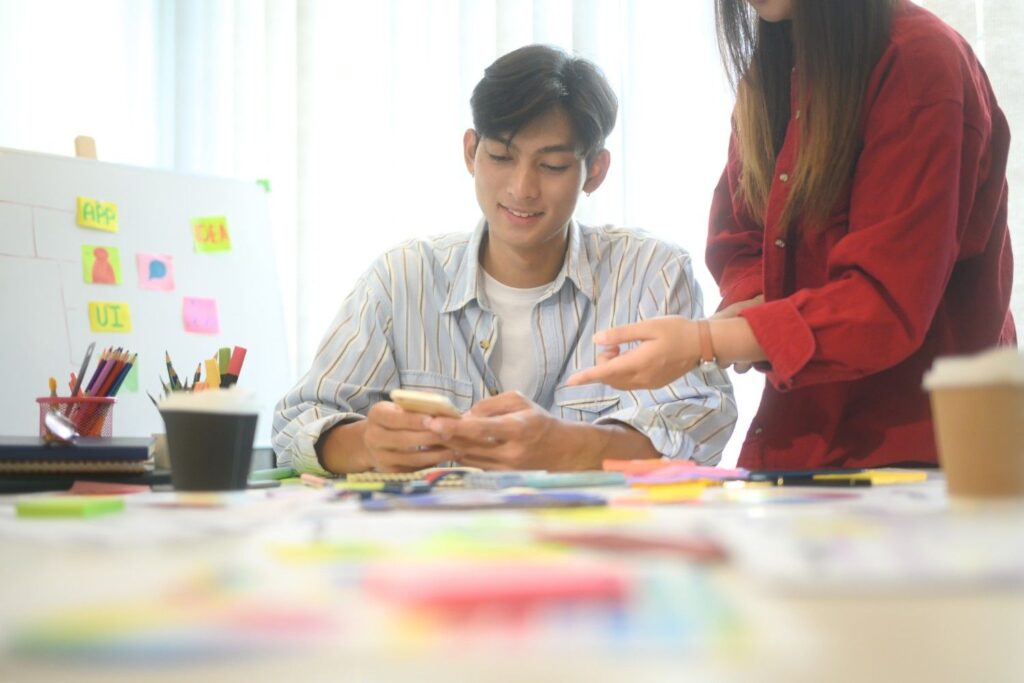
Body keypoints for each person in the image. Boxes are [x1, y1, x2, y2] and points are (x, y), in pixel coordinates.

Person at [569, 0, 1015, 470]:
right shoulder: (777, 63)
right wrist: (750, 307)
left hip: (924, 452)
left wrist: (709, 342)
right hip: (802, 442)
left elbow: (885, 303)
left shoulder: (919, 62)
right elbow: (741, 233)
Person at [273, 45, 736, 475]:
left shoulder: (649, 273)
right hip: (431, 550)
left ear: (594, 171)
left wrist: (568, 446)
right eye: (500, 156)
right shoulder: (403, 278)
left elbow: (701, 423)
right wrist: (366, 444)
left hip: (594, 550)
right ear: (471, 152)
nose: (521, 188)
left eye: (552, 165)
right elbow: (299, 421)